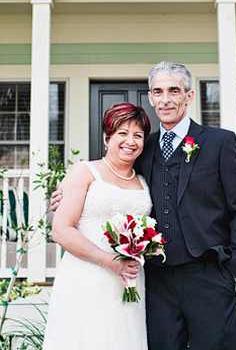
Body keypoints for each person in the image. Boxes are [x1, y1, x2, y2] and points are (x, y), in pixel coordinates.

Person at [51, 61, 236, 350]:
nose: (166, 99)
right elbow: (112, 185)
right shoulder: (142, 147)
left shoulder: (218, 142)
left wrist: (234, 268)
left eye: (174, 90)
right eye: (158, 91)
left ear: (188, 96)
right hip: (156, 281)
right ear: (150, 97)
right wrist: (64, 196)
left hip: (208, 275)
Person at [42, 102, 153, 350]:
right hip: (86, 278)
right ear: (107, 137)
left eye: (138, 135)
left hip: (130, 283)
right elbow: (61, 230)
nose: (130, 141)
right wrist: (109, 261)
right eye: (122, 133)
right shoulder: (85, 172)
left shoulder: (145, 181)